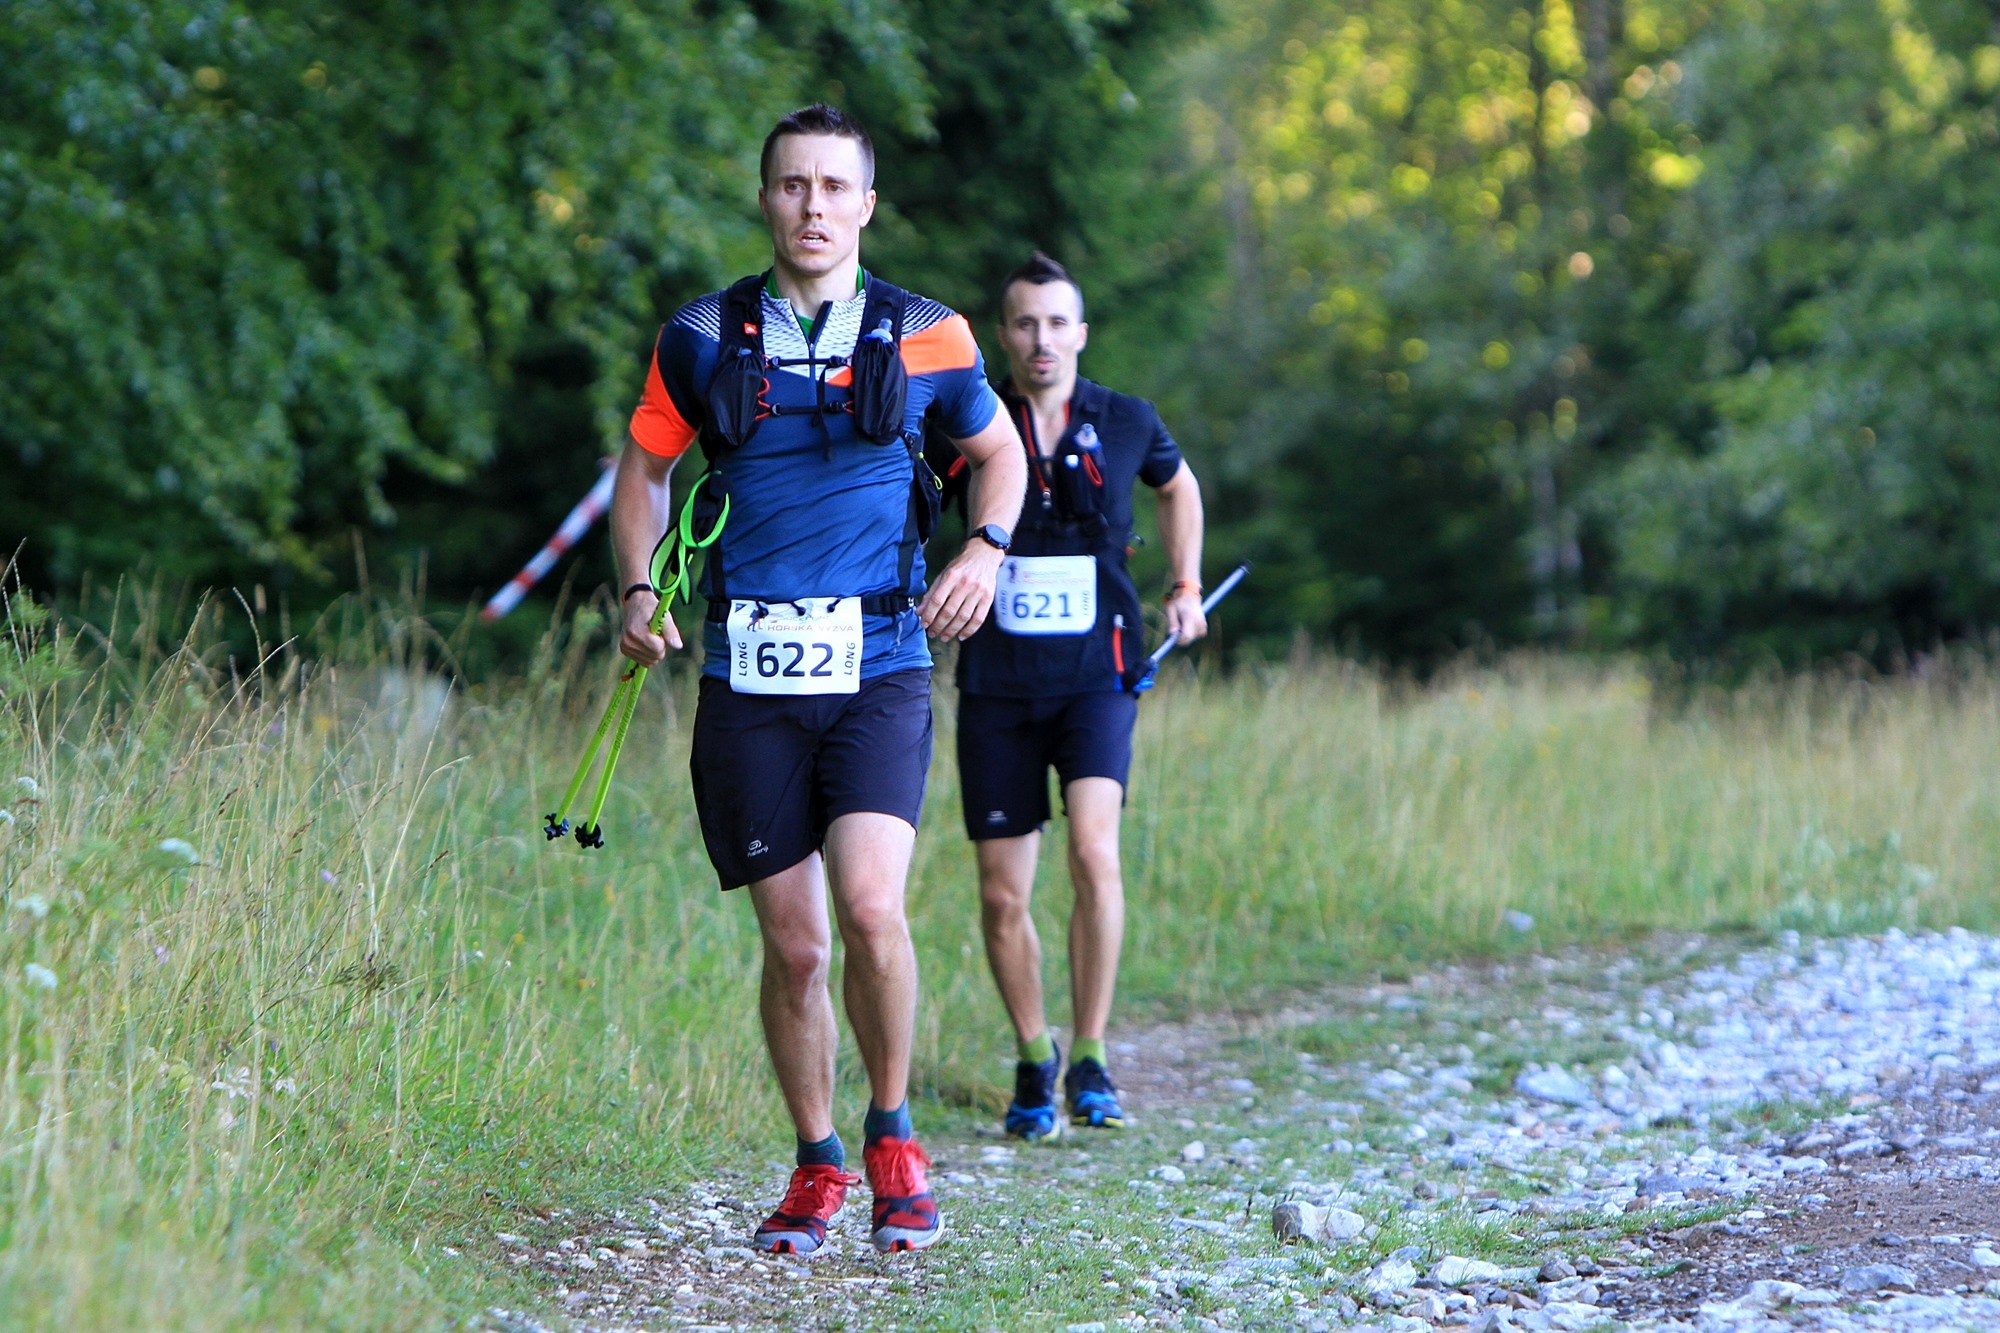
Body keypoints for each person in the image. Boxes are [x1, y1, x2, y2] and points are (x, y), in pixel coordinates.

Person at [611, 104, 1026, 1255]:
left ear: (865, 206)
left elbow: (998, 453)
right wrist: (642, 592)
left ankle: (893, 1135)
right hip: (748, 669)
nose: (812, 207)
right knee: (793, 946)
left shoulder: (929, 334)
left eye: (833, 188)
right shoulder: (700, 335)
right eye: (792, 185)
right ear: (765, 198)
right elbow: (641, 471)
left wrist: (983, 552)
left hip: (881, 659)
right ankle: (815, 1161)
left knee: (869, 908)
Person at [946, 252, 1206, 1140]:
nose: (1041, 338)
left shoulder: (1125, 420)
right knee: (1000, 893)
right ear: (1003, 333)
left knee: (1096, 854)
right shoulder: (967, 422)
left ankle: (1091, 1052)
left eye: (1058, 322)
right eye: (1025, 322)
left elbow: (1179, 486)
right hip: (997, 684)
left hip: (1099, 677)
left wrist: (1186, 584)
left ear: (1081, 333)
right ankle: (1034, 1056)